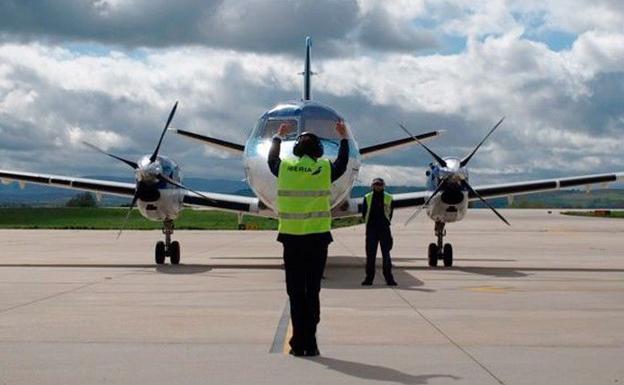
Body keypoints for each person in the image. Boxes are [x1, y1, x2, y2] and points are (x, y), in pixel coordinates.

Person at [268, 120, 349, 357]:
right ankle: (310, 342)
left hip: (291, 239)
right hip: (317, 239)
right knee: (312, 291)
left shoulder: (285, 169)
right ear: (319, 151)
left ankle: (296, 342)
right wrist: (343, 137)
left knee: (295, 292)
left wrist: (278, 137)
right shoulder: (324, 169)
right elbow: (342, 164)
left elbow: (271, 160)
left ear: (296, 150)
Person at [361, 178, 397, 286]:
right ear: (372, 186)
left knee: (386, 255)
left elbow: (390, 213)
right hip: (371, 229)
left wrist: (385, 222)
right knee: (370, 255)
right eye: (376, 184)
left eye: (380, 184)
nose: (378, 186)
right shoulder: (367, 197)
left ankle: (389, 278)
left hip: (384, 228)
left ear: (383, 186)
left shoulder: (389, 198)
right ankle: (369, 278)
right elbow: (364, 212)